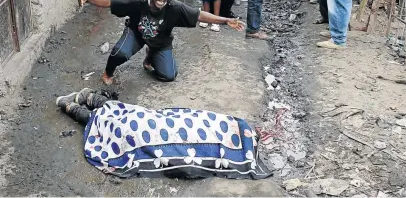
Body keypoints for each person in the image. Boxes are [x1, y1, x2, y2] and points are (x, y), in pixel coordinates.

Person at [55, 87, 271, 179]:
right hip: (164, 124)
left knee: (129, 127)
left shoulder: (228, 140)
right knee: (136, 117)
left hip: (158, 134)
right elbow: (196, 117)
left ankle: (78, 109)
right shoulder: (228, 124)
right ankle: (92, 102)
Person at [78, 0, 244, 85]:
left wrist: (226, 20)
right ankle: (108, 72)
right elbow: (111, 1)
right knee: (120, 52)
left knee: (168, 75)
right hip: (136, 33)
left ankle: (150, 56)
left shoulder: (175, 7)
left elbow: (199, 15)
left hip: (160, 41)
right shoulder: (138, 0)